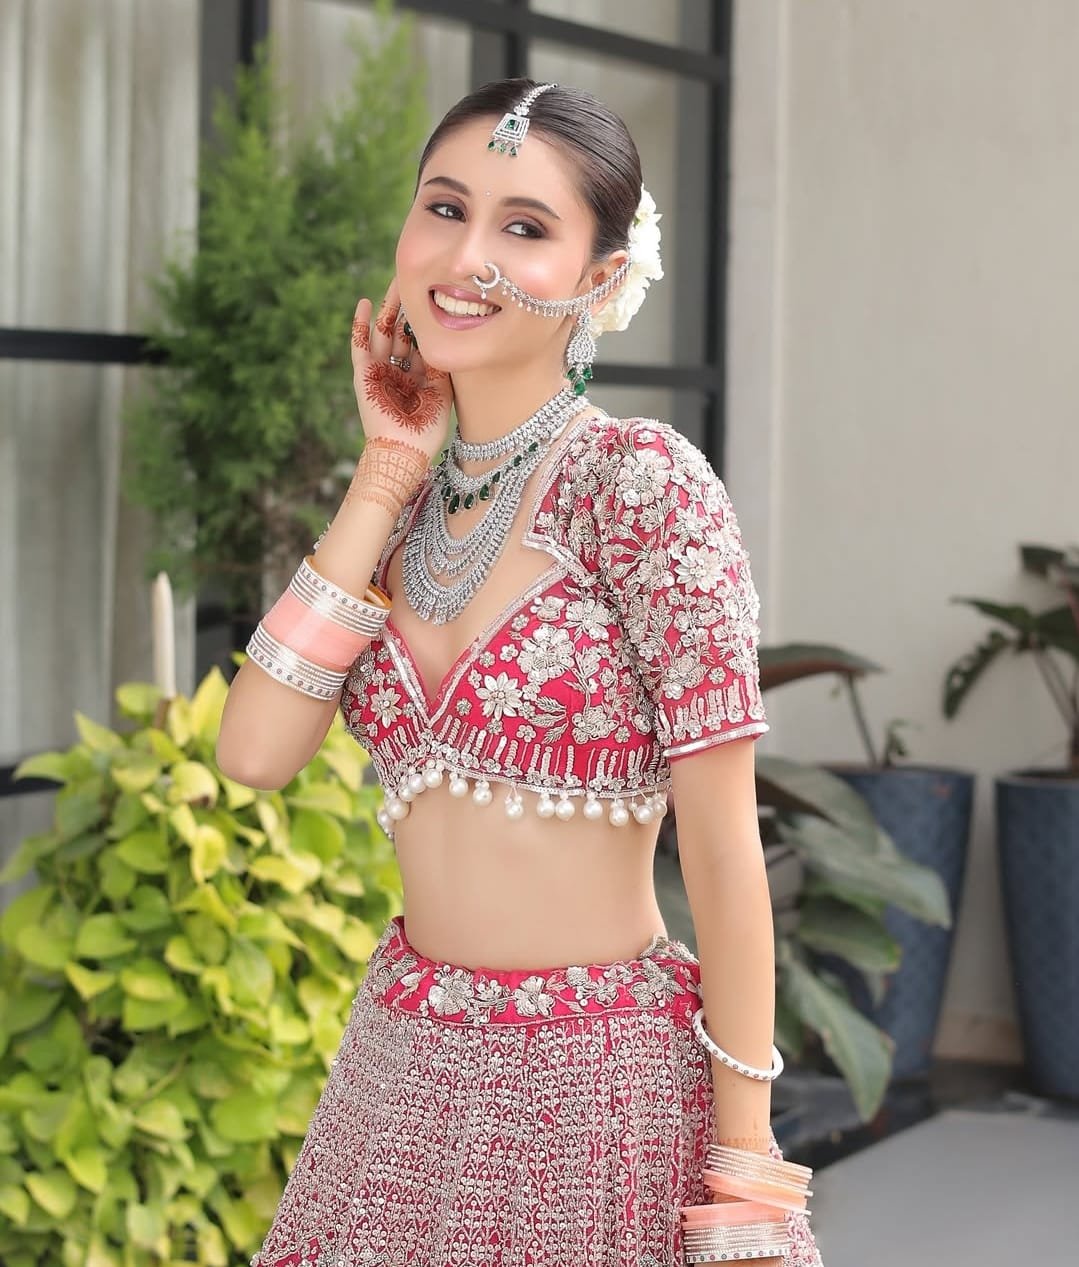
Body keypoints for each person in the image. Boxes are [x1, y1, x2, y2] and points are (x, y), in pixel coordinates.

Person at [217, 78, 823, 1267]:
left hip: (600, 1088)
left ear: (600, 276)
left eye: (524, 227)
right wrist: (385, 471)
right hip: (401, 1075)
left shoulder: (639, 487)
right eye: (444, 208)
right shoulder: (401, 514)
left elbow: (721, 849)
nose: (465, 258)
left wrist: (746, 1169)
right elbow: (251, 754)